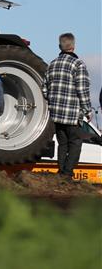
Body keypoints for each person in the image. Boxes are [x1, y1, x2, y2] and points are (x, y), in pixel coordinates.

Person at [45, 33, 93, 179]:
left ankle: (61, 172)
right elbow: (82, 90)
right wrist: (87, 110)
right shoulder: (78, 65)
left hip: (56, 114)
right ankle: (67, 173)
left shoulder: (52, 64)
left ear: (60, 46)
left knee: (62, 143)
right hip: (72, 115)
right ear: (73, 46)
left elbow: (44, 88)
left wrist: (53, 102)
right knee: (75, 143)